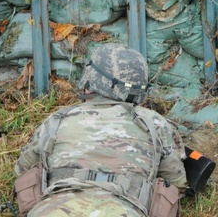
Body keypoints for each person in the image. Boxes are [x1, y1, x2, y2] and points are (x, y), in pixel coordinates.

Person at [13, 43, 187, 217]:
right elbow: (177, 181)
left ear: (93, 78)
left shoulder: (59, 118)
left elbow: (23, 170)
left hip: (55, 209)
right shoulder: (154, 122)